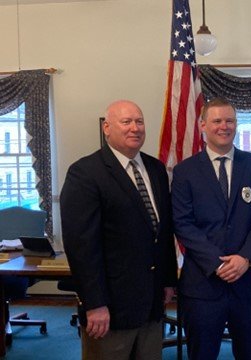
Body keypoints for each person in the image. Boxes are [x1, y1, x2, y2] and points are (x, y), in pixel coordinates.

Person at [60, 100, 177, 360]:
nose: (135, 128)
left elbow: (163, 231)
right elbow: (81, 247)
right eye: (126, 122)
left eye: (139, 121)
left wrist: (168, 279)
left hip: (151, 304)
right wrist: (94, 304)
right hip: (109, 310)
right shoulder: (85, 173)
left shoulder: (156, 169)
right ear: (107, 128)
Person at [171, 97, 251, 360]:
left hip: (249, 283)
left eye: (230, 120)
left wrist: (245, 259)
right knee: (202, 354)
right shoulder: (185, 171)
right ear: (203, 125)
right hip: (203, 286)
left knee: (250, 354)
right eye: (217, 120)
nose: (224, 126)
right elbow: (183, 223)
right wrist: (217, 264)